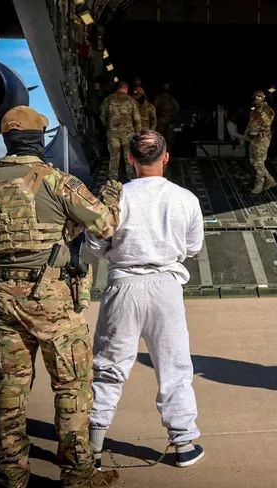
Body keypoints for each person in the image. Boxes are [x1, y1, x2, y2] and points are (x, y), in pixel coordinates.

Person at [0, 105, 122, 487]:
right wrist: (113, 194)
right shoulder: (57, 182)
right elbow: (106, 225)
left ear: (8, 140)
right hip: (53, 301)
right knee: (71, 384)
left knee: (10, 383)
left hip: (3, 298)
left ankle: (11, 473)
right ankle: (78, 474)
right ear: (37, 139)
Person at [85, 130, 206, 468]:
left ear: (130, 159)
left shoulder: (116, 198)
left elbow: (95, 244)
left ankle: (92, 447)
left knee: (109, 368)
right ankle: (183, 444)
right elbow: (193, 247)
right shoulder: (185, 199)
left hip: (123, 286)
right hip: (166, 288)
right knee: (174, 367)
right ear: (165, 158)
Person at [100, 81, 141, 182]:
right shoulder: (131, 100)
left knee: (114, 157)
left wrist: (109, 127)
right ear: (126, 89)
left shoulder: (108, 99)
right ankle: (131, 179)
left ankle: (112, 180)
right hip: (128, 134)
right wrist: (138, 134)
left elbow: (102, 116)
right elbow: (137, 119)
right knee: (129, 157)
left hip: (113, 133)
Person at [244, 90, 277, 193]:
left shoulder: (267, 110)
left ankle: (259, 185)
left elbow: (267, 123)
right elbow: (250, 125)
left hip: (262, 139)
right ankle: (270, 180)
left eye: (259, 97)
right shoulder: (253, 111)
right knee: (253, 161)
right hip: (253, 139)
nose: (257, 99)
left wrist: (261, 112)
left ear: (263, 98)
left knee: (259, 163)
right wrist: (245, 136)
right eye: (255, 98)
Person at [155, 82, 180, 152]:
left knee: (167, 140)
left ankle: (166, 153)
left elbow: (176, 110)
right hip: (163, 122)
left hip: (167, 122)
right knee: (162, 139)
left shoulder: (171, 99)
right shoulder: (160, 98)